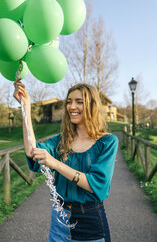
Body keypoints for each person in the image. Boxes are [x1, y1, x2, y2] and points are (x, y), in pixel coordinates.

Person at [13, 80, 118, 242]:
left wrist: (55, 163)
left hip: (90, 221)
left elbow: (96, 184)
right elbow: (32, 151)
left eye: (79, 102)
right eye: (69, 102)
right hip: (59, 220)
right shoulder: (61, 141)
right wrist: (25, 107)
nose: (71, 107)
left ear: (92, 106)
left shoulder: (108, 142)